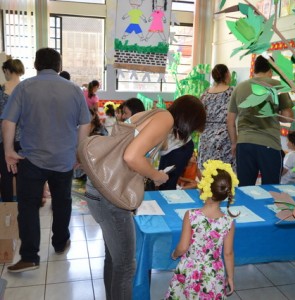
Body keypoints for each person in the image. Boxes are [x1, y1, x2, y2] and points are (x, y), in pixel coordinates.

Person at [84, 95, 206, 300]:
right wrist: (156, 175)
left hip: (100, 186)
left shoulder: (151, 114)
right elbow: (131, 156)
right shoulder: (165, 119)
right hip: (111, 194)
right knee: (125, 265)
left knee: (114, 260)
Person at [1, 47, 91, 272]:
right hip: (64, 159)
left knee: (28, 207)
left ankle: (30, 256)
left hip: (32, 159)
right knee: (62, 202)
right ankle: (60, 243)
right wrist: (79, 153)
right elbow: (85, 123)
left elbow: (8, 122)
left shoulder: (23, 88)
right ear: (59, 66)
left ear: (35, 65)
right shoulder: (74, 90)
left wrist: (9, 150)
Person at [165, 159, 239, 299]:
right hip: (213, 274)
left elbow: (183, 246)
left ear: (203, 188)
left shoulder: (191, 215)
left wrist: (175, 254)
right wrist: (230, 277)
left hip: (190, 270)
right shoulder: (228, 222)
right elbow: (228, 254)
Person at [227, 55, 294, 186]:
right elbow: (288, 118)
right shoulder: (277, 86)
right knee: (271, 188)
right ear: (271, 69)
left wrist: (234, 143)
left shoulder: (239, 87)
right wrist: (274, 114)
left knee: (245, 188)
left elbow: (230, 121)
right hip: (269, 144)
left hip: (244, 143)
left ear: (254, 69)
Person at [198, 64, 236, 171]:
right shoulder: (231, 92)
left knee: (208, 173)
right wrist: (234, 142)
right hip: (225, 136)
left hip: (206, 136)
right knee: (225, 173)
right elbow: (232, 120)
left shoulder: (205, 93)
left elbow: (200, 116)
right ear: (227, 74)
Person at [0, 58, 24, 202]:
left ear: (7, 70)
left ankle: (7, 209)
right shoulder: (27, 88)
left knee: (6, 174)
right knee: (24, 175)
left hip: (3, 138)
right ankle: (24, 208)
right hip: (24, 139)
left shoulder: (2, 89)